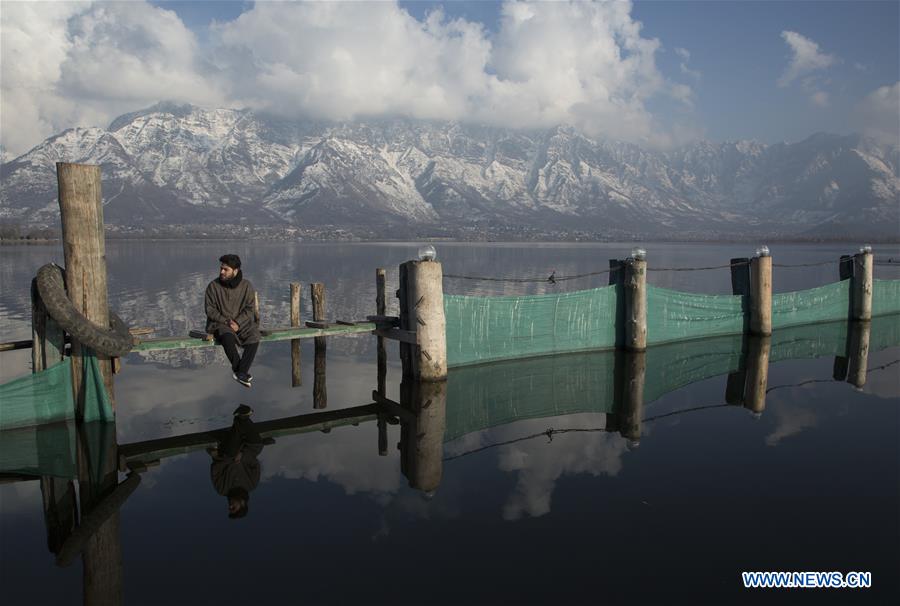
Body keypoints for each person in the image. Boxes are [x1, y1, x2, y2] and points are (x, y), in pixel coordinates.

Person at [205, 254, 260, 387]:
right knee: (227, 335)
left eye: (226, 269)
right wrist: (227, 321)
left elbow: (249, 308)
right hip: (220, 324)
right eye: (221, 268)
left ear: (235, 271)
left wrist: (238, 322)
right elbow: (210, 310)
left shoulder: (246, 286)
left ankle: (240, 372)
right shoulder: (213, 286)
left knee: (254, 335)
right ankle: (240, 371)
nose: (221, 272)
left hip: (241, 324)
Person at [208, 404, 264, 519]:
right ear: (243, 504)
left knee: (232, 451)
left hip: (227, 453)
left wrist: (230, 459)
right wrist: (243, 455)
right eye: (233, 508)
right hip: (248, 449)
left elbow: (215, 470)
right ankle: (241, 419)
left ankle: (241, 418)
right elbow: (255, 465)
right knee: (258, 444)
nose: (230, 506)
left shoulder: (222, 490)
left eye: (229, 509)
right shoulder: (252, 485)